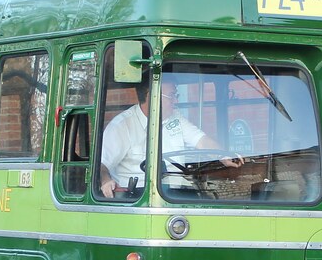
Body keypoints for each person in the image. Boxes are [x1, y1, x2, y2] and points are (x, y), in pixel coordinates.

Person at [99, 78, 240, 198]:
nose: (176, 100)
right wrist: (106, 181)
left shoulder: (175, 117)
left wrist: (223, 154)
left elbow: (201, 140)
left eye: (177, 95)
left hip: (177, 190)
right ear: (152, 96)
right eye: (172, 95)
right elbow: (102, 165)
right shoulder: (122, 126)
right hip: (138, 194)